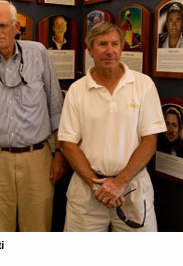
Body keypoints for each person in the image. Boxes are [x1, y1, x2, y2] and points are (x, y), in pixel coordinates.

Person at [0, 0, 67, 232]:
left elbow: (56, 108)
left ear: (16, 27)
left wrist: (59, 153)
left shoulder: (38, 53)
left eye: (2, 25)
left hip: (37, 158)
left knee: (38, 230)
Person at [58, 22, 166, 232]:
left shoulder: (143, 85)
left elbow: (150, 141)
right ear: (89, 50)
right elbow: (68, 143)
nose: (110, 51)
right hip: (88, 192)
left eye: (115, 44)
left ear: (121, 48)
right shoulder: (77, 90)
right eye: (102, 44)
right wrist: (99, 187)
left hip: (133, 189)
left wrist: (120, 183)